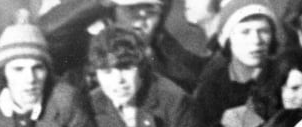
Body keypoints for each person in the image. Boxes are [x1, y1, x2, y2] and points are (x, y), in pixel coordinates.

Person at [87, 26, 212, 127]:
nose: (118, 81)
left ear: (142, 67)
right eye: (107, 71)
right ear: (96, 74)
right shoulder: (93, 103)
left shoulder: (175, 101)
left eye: (126, 68)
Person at [39, 0, 207, 93]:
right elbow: (46, 33)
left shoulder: (169, 57)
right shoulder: (86, 50)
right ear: (113, 12)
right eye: (132, 9)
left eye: (150, 12)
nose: (141, 20)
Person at [193, 1, 281, 127]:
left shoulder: (285, 76)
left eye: (264, 31)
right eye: (245, 32)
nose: (256, 40)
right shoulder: (212, 87)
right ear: (228, 38)